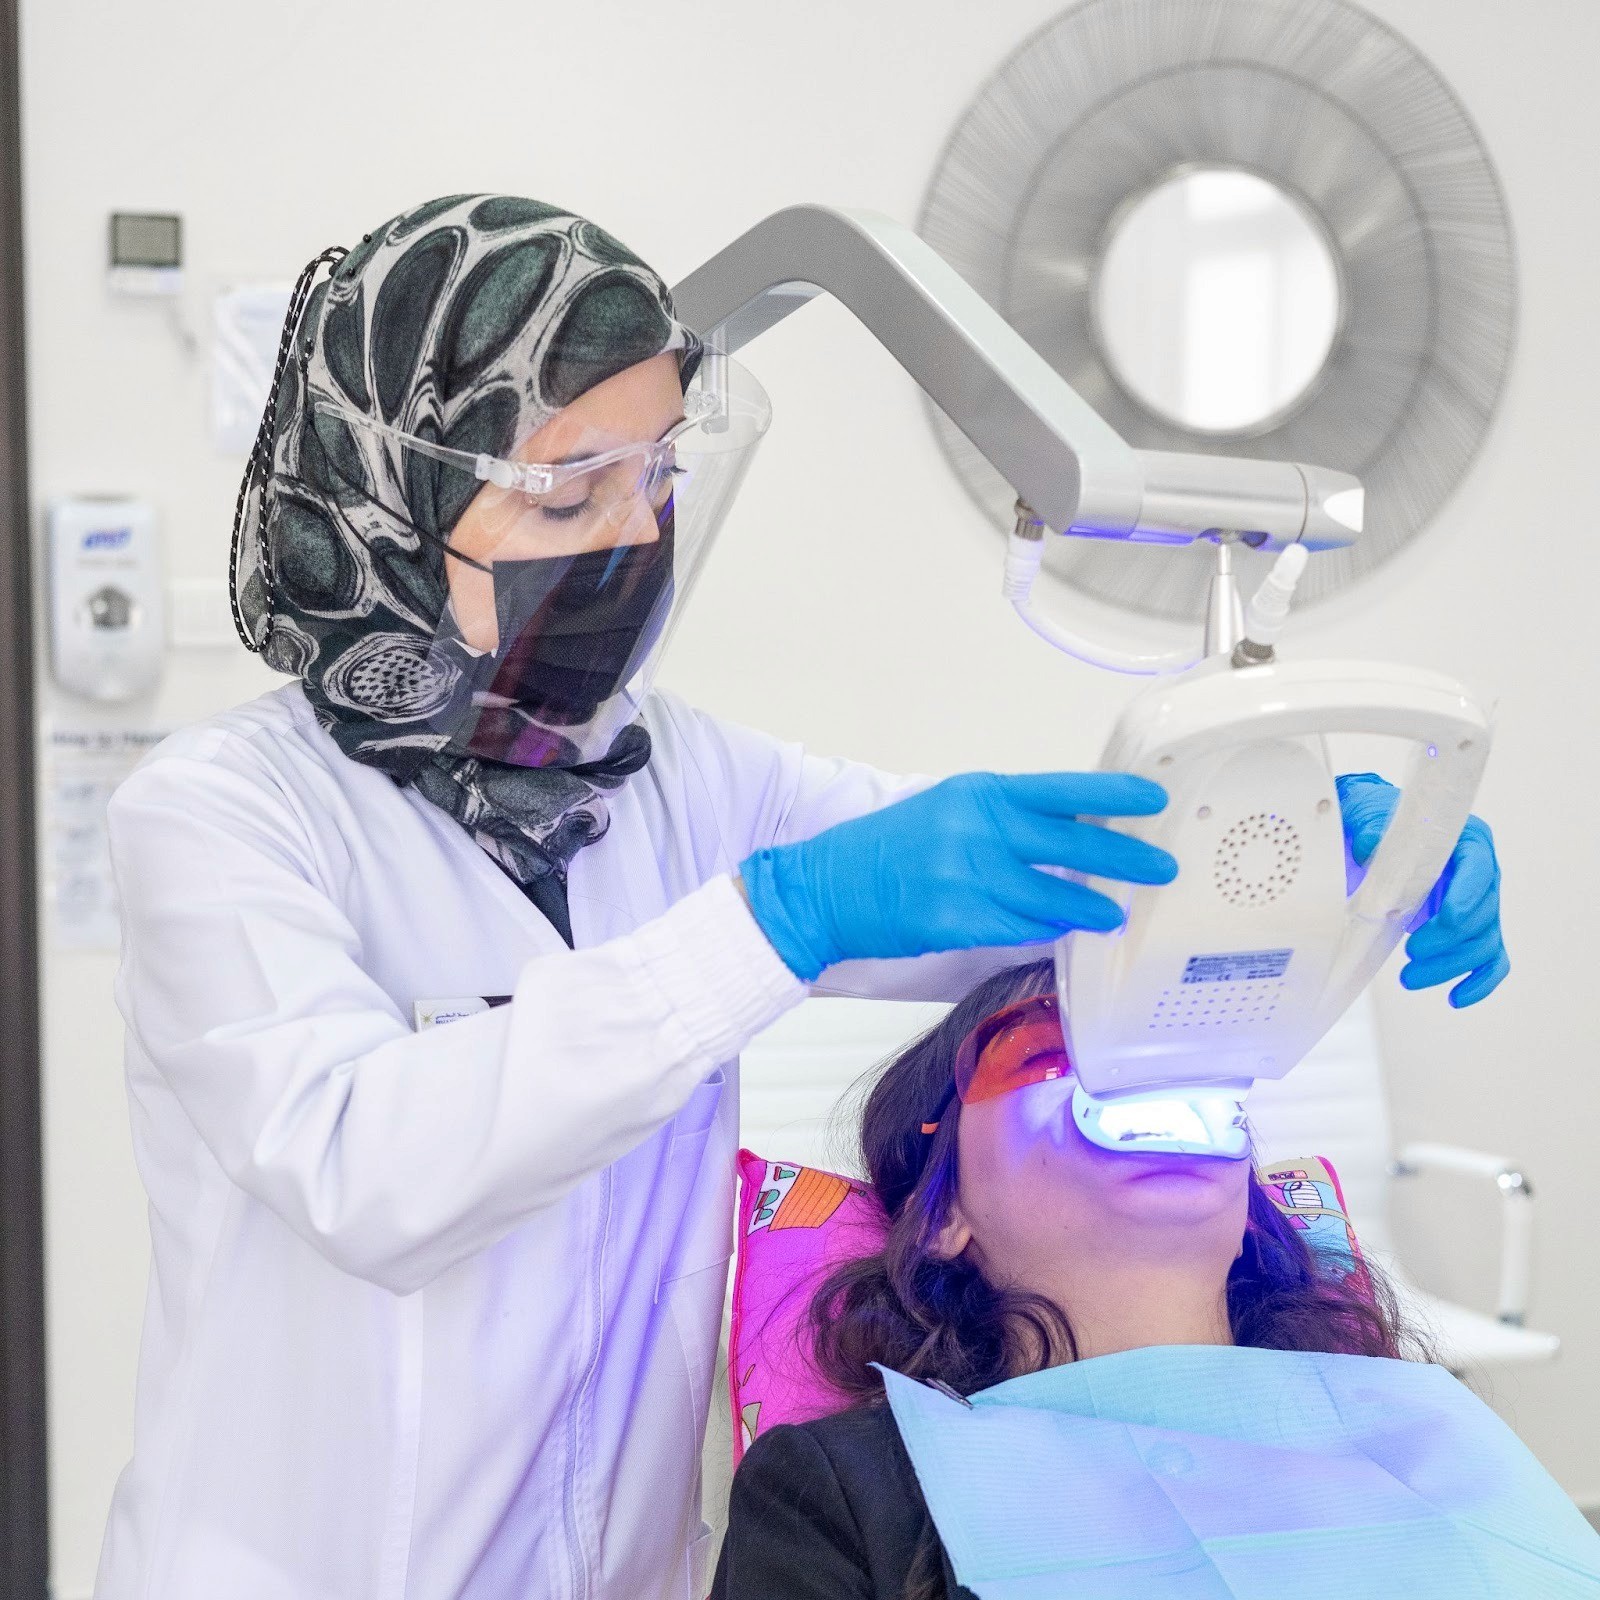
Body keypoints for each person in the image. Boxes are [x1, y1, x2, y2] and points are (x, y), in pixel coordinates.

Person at [95, 195, 1508, 1600]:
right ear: (381, 517)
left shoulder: (685, 778)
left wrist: (1312, 869)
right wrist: (777, 918)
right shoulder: (221, 817)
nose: (632, 537)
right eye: (570, 492)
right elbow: (370, 1173)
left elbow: (1039, 888)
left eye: (655, 476)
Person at [712, 959, 1589, 1600]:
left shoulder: (1418, 1427)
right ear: (944, 1216)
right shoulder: (851, 1488)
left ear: (1245, 1201)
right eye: (1055, 1049)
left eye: (1184, 1066)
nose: (1144, 1080)